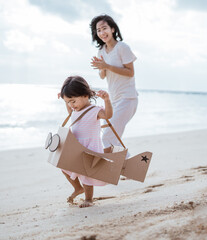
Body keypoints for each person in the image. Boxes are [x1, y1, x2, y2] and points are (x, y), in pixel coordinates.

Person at [60, 75, 113, 208]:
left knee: (86, 175)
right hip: (76, 147)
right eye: (68, 102)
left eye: (73, 101)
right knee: (64, 167)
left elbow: (108, 115)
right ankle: (78, 188)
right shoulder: (74, 110)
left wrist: (106, 100)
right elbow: (70, 113)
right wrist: (65, 100)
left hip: (90, 148)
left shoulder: (94, 110)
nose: (71, 105)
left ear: (85, 95)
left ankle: (88, 199)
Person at [90, 14, 138, 154]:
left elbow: (130, 72)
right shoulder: (101, 51)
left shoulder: (122, 47)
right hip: (113, 100)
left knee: (107, 137)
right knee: (111, 136)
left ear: (112, 29)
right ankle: (126, 165)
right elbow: (102, 76)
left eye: (104, 28)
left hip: (128, 98)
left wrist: (107, 65)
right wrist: (102, 67)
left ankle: (123, 165)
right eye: (98, 30)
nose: (102, 32)